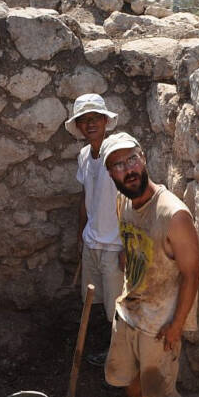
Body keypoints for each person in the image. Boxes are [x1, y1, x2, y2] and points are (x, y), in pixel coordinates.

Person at [99, 132, 199, 397]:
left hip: (160, 321)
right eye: (117, 165)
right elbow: (130, 245)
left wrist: (176, 326)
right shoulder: (123, 201)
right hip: (130, 309)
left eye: (131, 160)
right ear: (110, 175)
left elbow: (191, 274)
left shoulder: (174, 215)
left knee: (159, 391)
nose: (127, 170)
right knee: (124, 375)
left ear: (143, 159)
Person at [64, 94, 124, 366]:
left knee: (118, 309)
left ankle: (122, 362)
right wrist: (80, 237)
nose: (90, 125)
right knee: (98, 302)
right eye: (84, 120)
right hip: (92, 243)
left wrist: (128, 245)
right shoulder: (85, 156)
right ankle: (111, 354)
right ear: (78, 126)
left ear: (104, 121)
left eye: (94, 119)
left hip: (115, 246)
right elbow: (85, 198)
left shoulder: (119, 153)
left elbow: (133, 199)